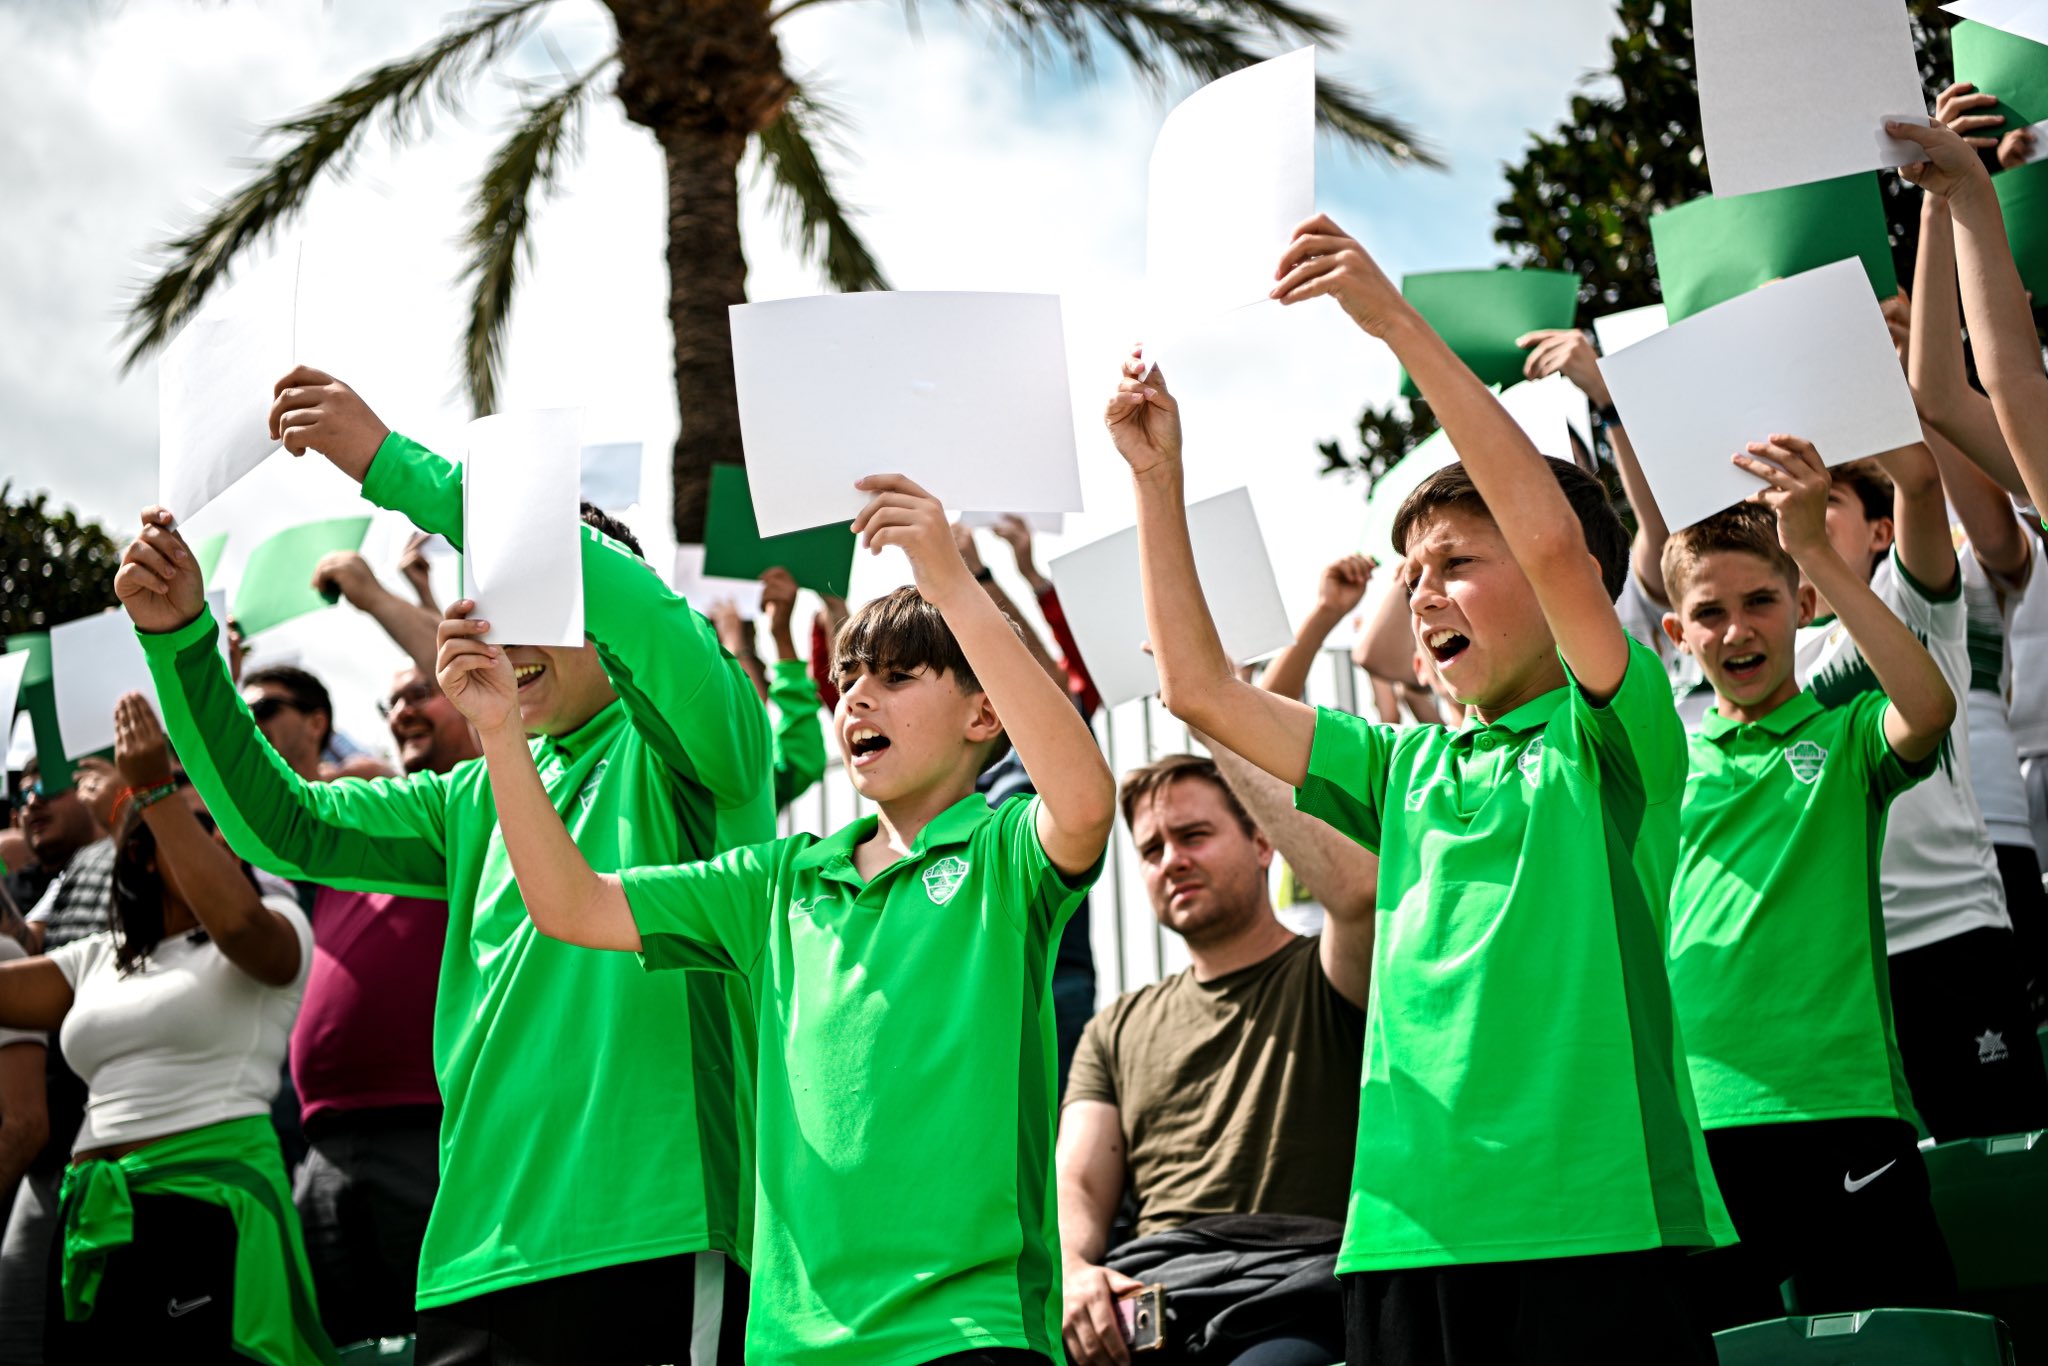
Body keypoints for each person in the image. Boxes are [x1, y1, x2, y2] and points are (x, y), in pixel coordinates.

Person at [1104, 214, 1730, 1365]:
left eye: (1453, 563)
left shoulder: (1614, 734)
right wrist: (1156, 479)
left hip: (1593, 1227)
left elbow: (1551, 544)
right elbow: (1196, 688)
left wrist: (1393, 322)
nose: (1424, 595)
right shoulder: (1400, 767)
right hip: (1402, 1241)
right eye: (1410, 572)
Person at [117, 361, 774, 1366]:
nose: (510, 635)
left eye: (543, 601)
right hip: (474, 1251)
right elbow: (283, 827)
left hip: (652, 1228)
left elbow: (639, 609)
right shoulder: (473, 795)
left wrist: (391, 465)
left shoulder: (704, 751)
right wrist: (182, 647)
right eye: (496, 606)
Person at [437, 471, 1114, 1366]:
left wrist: (949, 578)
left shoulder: (1003, 857)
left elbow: (1084, 796)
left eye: (897, 677)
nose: (858, 700)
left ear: (985, 710)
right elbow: (572, 904)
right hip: (789, 1345)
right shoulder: (778, 878)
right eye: (849, 678)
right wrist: (497, 733)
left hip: (970, 1331)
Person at [1658, 485, 1959, 1330]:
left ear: (1803, 604)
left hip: (1845, 1107)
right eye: (1708, 612)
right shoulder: (1663, 763)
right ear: (1678, 636)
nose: (1737, 629)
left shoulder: (1850, 732)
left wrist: (1818, 548)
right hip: (1702, 1125)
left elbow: (1930, 708)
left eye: (1761, 600)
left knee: (1901, 1347)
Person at [0, 694, 331, 1365]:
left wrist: (153, 786)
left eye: (219, 828)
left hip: (207, 1206)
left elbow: (238, 924)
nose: (217, 839)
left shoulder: (273, 928)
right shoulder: (99, 955)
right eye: (193, 823)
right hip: (95, 1219)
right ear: (147, 856)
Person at [1059, 753, 1370, 1366]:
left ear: (1263, 843)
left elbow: (1361, 896)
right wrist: (1072, 1269)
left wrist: (1216, 713)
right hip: (1149, 1304)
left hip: (1297, 1295)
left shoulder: (1332, 972)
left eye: (1194, 835)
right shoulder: (1114, 1028)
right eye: (1151, 851)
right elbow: (1079, 1183)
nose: (1171, 859)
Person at [290, 664, 476, 1348]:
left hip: (431, 1137)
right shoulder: (348, 836)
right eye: (392, 700)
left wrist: (375, 596)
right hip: (324, 1151)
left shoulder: (482, 817)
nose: (401, 712)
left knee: (441, 1343)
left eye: (422, 692)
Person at [0, 757, 115, 1366]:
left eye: (48, 786)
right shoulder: (68, 876)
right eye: (21, 795)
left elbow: (71, 991)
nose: (31, 803)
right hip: (60, 1162)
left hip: (104, 1154)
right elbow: (29, 962)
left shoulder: (118, 859)